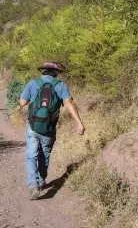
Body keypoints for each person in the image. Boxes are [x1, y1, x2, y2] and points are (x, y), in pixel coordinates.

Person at [19, 61, 85, 200]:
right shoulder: (60, 85)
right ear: (55, 73)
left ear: (43, 72)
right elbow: (69, 104)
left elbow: (22, 103)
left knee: (31, 156)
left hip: (33, 126)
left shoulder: (33, 83)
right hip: (49, 128)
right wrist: (79, 122)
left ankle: (33, 185)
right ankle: (41, 181)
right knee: (45, 155)